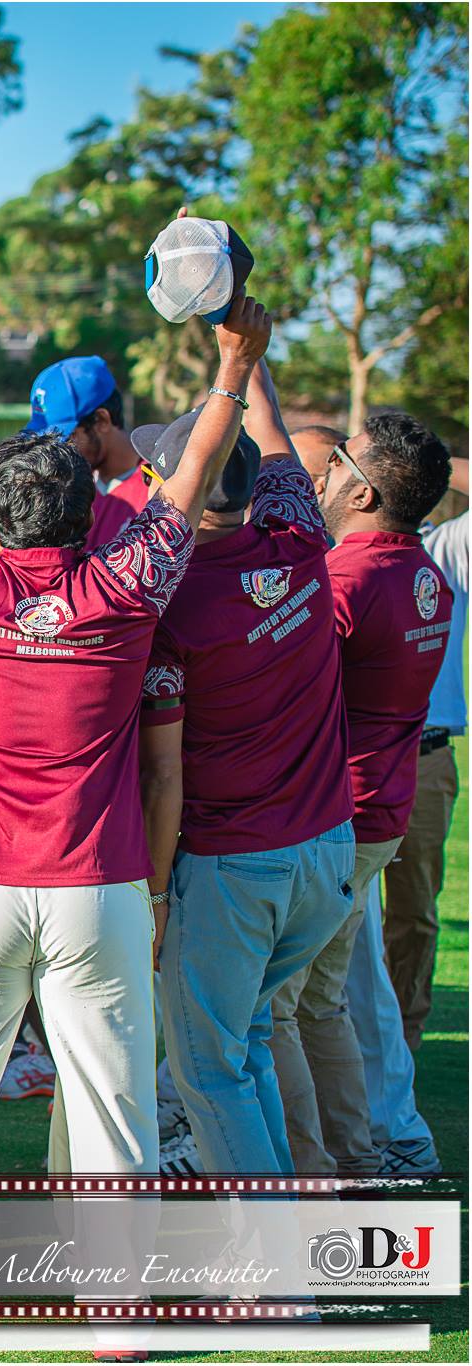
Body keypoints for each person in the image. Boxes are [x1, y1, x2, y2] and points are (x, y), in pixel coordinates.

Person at [0, 269, 271, 1175]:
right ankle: (118, 1317)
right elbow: (188, 480)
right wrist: (233, 366)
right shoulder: (126, 585)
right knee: (115, 1133)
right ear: (87, 517)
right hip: (99, 895)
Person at [135, 358, 356, 1177]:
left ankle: (269, 1282)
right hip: (326, 850)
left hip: (237, 869)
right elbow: (266, 427)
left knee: (209, 1071)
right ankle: (302, 1214)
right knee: (249, 1038)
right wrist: (240, 336)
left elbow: (162, 776)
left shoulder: (167, 600)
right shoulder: (299, 533)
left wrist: (156, 896)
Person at [274, 410, 454, 1177]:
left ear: (365, 492)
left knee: (272, 1011)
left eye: (340, 461)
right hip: (376, 810)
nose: (325, 474)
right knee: (322, 1003)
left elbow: (271, 696)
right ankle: (359, 1160)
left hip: (333, 817)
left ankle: (312, 1177)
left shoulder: (344, 581)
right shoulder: (420, 572)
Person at [380, 475, 466, 1049]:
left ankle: (402, 1048)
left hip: (424, 757)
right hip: (344, 757)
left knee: (412, 914)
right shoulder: (321, 550)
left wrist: (418, 467)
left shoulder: (444, 549)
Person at [19, 355, 142, 551]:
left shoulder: (158, 488)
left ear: (101, 420)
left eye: (66, 438)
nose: (55, 452)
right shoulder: (62, 490)